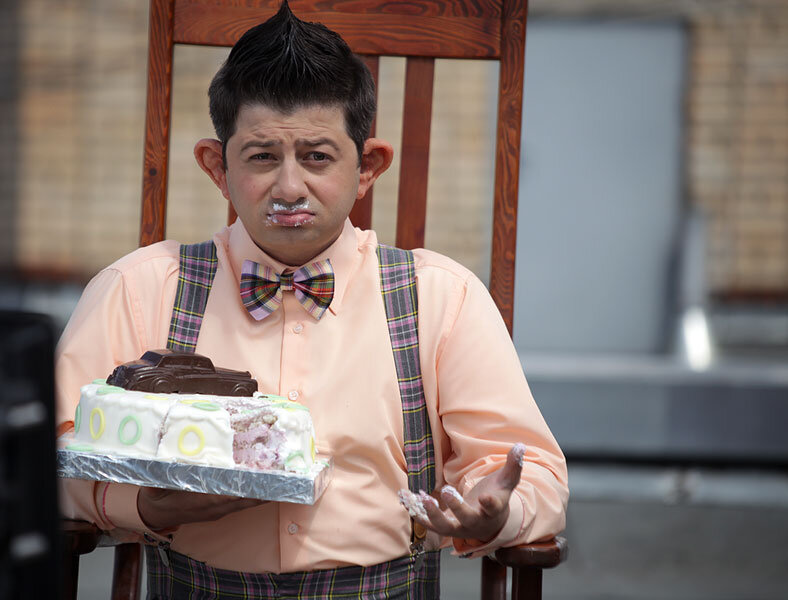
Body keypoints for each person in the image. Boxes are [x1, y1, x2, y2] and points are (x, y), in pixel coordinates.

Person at [56, 3, 567, 597]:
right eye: (262, 157)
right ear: (218, 167)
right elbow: (45, 454)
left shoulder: (440, 299)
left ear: (367, 167)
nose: (290, 187)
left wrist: (497, 511)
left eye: (317, 157)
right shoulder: (141, 290)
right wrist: (140, 504)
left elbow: (529, 470)